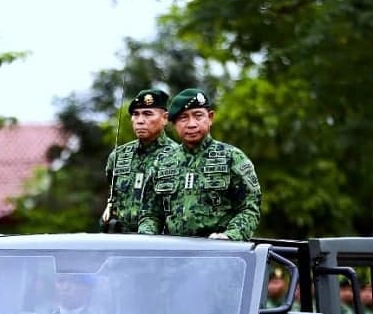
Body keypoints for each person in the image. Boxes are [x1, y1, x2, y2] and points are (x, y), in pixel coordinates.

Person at [137, 88, 261, 240]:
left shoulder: (232, 157)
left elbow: (249, 208)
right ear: (174, 123)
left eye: (198, 116)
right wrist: (147, 239)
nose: (192, 124)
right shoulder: (163, 161)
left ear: (210, 117)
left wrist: (230, 236)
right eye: (183, 118)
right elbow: (150, 214)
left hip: (219, 249)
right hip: (172, 250)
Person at [101, 88, 176, 232]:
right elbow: (113, 195)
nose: (140, 121)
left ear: (165, 118)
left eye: (148, 114)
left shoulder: (178, 156)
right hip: (121, 238)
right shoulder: (118, 156)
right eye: (136, 114)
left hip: (161, 239)